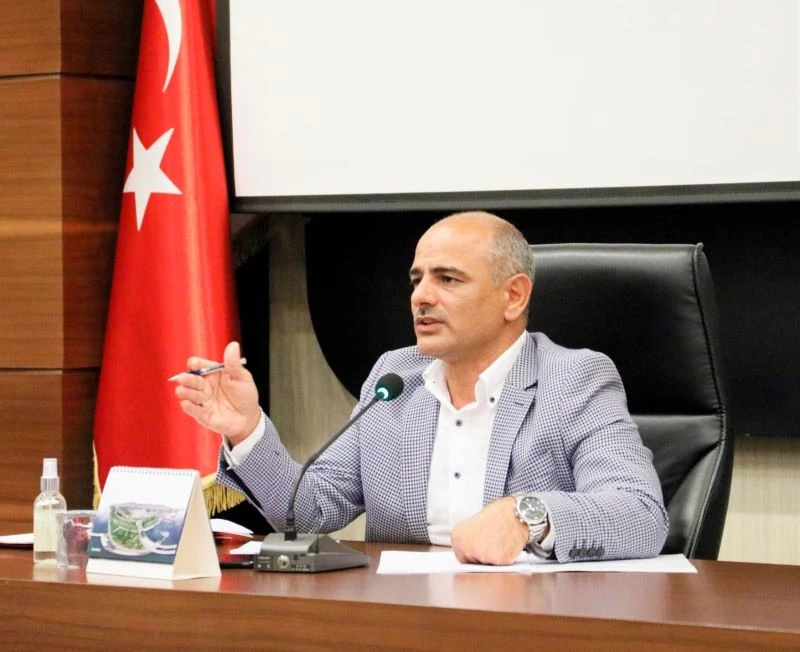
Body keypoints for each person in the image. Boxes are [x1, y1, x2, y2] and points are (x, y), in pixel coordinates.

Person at [174, 211, 668, 565]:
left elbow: (640, 513)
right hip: (402, 620)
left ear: (513, 297)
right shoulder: (395, 377)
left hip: (528, 624)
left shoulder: (575, 379)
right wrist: (246, 431)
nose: (421, 297)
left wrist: (526, 516)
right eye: (417, 280)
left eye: (447, 279)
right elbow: (309, 511)